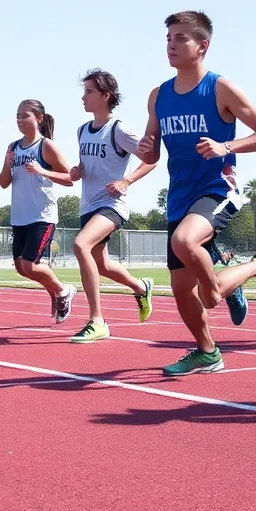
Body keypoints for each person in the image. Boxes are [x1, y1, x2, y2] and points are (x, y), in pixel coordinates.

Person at [136, 11, 256, 376]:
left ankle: (244, 272)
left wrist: (226, 145)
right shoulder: (159, 95)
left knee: (187, 247)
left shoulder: (220, 89)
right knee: (185, 292)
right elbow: (153, 152)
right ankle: (207, 351)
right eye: (169, 37)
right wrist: (145, 147)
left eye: (181, 37)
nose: (171, 43)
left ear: (202, 46)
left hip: (219, 186)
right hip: (180, 196)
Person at [67, 70, 157, 343]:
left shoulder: (118, 130)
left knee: (80, 245)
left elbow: (151, 158)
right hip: (88, 205)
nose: (83, 97)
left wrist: (126, 180)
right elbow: (89, 165)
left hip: (112, 205)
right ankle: (141, 287)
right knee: (102, 265)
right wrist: (77, 171)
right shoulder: (82, 131)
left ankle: (97, 320)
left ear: (106, 96)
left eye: (89, 92)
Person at [0, 99, 77, 323]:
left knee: (30, 264)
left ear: (39, 119)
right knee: (21, 268)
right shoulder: (12, 147)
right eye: (17, 116)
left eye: (25, 115)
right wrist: (6, 164)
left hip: (42, 215)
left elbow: (69, 178)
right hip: (20, 216)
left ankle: (63, 290)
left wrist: (43, 171)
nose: (19, 120)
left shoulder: (46, 146)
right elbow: (4, 183)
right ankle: (55, 290)